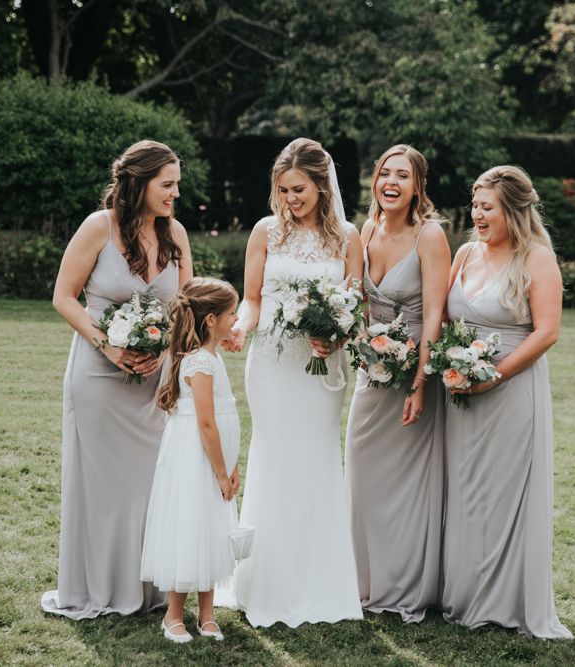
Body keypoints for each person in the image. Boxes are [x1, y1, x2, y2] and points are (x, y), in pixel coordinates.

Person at [41, 140, 193, 619]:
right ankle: (102, 587)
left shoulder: (176, 234)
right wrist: (108, 344)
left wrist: (167, 349)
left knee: (152, 482)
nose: (174, 194)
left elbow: (185, 307)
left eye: (177, 185)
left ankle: (151, 588)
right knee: (105, 486)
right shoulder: (98, 227)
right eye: (167, 185)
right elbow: (64, 297)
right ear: (139, 182)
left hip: (156, 381)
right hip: (98, 374)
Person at [219, 137, 364, 627]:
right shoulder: (266, 231)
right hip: (273, 366)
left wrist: (336, 336)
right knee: (274, 458)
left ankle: (320, 580)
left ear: (322, 185)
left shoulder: (348, 236)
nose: (290, 200)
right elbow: (254, 298)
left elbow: (353, 303)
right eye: (282, 190)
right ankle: (267, 581)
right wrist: (240, 325)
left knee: (318, 459)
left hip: (321, 370)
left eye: (298, 189)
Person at [441, 165, 572, 639]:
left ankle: (501, 601)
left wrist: (494, 375)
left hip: (511, 389)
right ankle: (465, 592)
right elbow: (442, 318)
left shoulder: (536, 257)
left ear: (512, 210)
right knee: (466, 490)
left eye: (486, 207)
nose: (477, 215)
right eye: (474, 205)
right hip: (461, 390)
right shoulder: (466, 253)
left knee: (501, 492)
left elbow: (548, 331)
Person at [345, 145, 450, 622]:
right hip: (371, 375)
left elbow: (435, 314)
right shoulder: (365, 230)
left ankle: (404, 585)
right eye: (385, 173)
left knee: (407, 487)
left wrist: (421, 383)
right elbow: (359, 304)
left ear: (416, 186)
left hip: (413, 374)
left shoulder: (430, 235)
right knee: (363, 476)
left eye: (401, 176)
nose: (391, 182)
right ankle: (363, 580)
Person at [141, 277, 241, 643]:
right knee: (189, 528)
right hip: (195, 461)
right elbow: (205, 423)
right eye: (231, 313)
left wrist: (232, 466)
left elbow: (223, 421)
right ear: (211, 319)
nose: (236, 320)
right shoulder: (198, 362)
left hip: (215, 462)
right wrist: (219, 471)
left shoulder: (211, 357)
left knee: (211, 530)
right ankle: (173, 615)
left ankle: (208, 613)